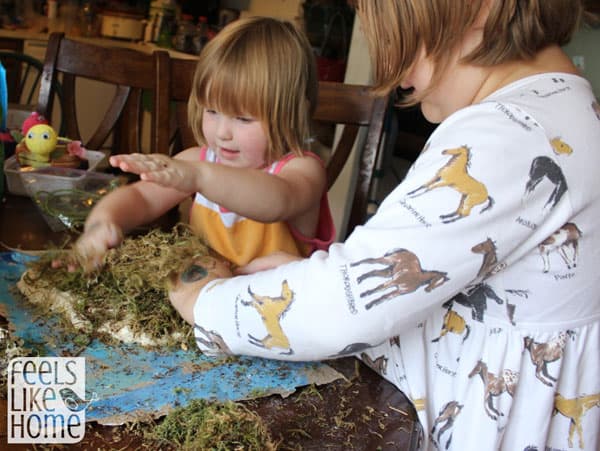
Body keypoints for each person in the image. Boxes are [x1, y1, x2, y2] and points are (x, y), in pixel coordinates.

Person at [168, 1, 600, 450]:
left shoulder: (508, 134)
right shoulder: (560, 109)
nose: (391, 72)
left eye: (399, 40)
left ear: (479, 9)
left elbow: (345, 307)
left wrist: (206, 302)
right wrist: (303, 276)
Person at [72, 16, 334, 270]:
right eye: (211, 111)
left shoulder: (303, 171)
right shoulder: (200, 161)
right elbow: (142, 197)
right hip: (202, 302)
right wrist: (103, 222)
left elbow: (278, 201)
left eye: (243, 118)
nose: (222, 133)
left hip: (274, 310)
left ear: (293, 115)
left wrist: (198, 176)